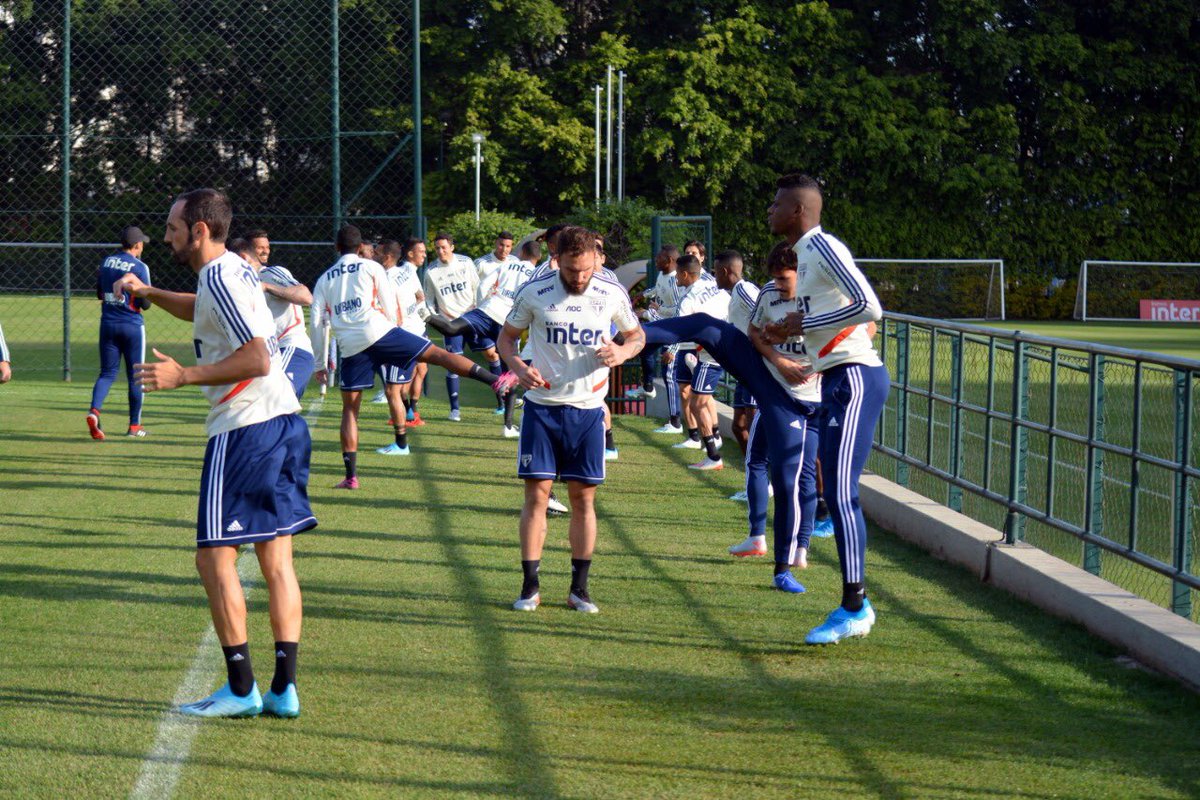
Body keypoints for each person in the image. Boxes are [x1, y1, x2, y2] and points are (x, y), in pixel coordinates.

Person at [113, 188, 314, 718]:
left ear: (199, 230)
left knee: (212, 558)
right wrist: (150, 291)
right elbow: (204, 311)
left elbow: (256, 358)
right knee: (276, 559)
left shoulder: (220, 277)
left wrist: (185, 375)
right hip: (284, 421)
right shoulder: (230, 272)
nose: (167, 234)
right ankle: (284, 689)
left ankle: (241, 688)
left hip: (246, 428)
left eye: (174, 226)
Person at [762, 172, 888, 643]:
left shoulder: (822, 245)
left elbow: (868, 306)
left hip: (855, 375)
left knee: (839, 491)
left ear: (797, 211)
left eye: (776, 204)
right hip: (837, 377)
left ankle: (855, 606)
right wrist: (793, 328)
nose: (770, 212)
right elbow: (828, 315)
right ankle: (855, 603)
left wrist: (804, 320)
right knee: (834, 491)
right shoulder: (806, 256)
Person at [497, 226, 645, 613]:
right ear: (557, 259)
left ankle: (580, 589)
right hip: (542, 409)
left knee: (583, 499)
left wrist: (623, 352)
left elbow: (637, 336)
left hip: (588, 412)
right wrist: (517, 365)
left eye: (585, 270)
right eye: (571, 270)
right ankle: (530, 587)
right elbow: (506, 338)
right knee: (537, 498)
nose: (579, 277)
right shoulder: (535, 291)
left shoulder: (610, 293)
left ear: (596, 260)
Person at [312, 225, 516, 489]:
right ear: (359, 245)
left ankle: (351, 476)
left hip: (351, 346)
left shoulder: (325, 278)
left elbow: (317, 323)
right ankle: (495, 381)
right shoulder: (371, 267)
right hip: (381, 331)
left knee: (350, 410)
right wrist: (393, 329)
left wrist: (320, 364)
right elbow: (388, 302)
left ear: (337, 247)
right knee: (438, 355)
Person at [424, 233, 538, 437]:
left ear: (519, 252)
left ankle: (425, 317)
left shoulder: (506, 266)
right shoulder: (535, 273)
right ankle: (508, 426)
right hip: (507, 322)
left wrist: (481, 304)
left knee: (451, 328)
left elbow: (483, 286)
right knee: (509, 376)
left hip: (484, 311)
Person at [87, 226, 152, 440]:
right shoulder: (140, 267)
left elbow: (99, 293)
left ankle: (94, 411)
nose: (142, 245)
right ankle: (134, 426)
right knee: (136, 378)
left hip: (108, 324)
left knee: (107, 373)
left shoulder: (106, 262)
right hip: (132, 326)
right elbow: (145, 302)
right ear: (136, 245)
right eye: (141, 242)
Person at [234, 231, 315, 398]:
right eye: (260, 248)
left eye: (267, 247)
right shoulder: (242, 283)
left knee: (274, 399)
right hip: (270, 355)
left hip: (291, 348)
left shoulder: (270, 273)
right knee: (274, 409)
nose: (265, 251)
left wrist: (267, 287)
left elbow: (306, 297)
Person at [670, 254, 730, 469]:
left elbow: (679, 330)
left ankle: (713, 456)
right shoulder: (713, 284)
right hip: (724, 346)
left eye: (677, 273)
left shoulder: (689, 299)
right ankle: (713, 442)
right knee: (700, 398)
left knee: (696, 401)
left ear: (685, 274)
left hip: (710, 355)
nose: (676, 277)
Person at [423, 233, 489, 420]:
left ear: (452, 247)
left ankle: (502, 402)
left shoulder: (466, 262)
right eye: (437, 248)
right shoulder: (431, 271)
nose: (440, 251)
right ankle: (455, 409)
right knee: (453, 364)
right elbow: (429, 301)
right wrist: (439, 320)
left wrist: (478, 309)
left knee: (491, 353)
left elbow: (478, 288)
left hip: (472, 318)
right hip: (450, 323)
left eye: (444, 247)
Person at [713, 250, 760, 499]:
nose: (713, 276)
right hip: (745, 369)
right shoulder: (735, 294)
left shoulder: (744, 291)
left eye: (715, 271)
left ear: (725, 271)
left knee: (752, 428)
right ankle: (755, 481)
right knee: (739, 426)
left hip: (755, 368)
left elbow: (764, 315)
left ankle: (762, 484)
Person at [395, 237, 431, 427]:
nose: (424, 255)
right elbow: (416, 298)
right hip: (410, 329)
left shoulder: (411, 272)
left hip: (418, 328)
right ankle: (405, 410)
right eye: (421, 252)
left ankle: (411, 410)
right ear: (410, 254)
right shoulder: (405, 272)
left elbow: (419, 296)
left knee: (421, 369)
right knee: (409, 373)